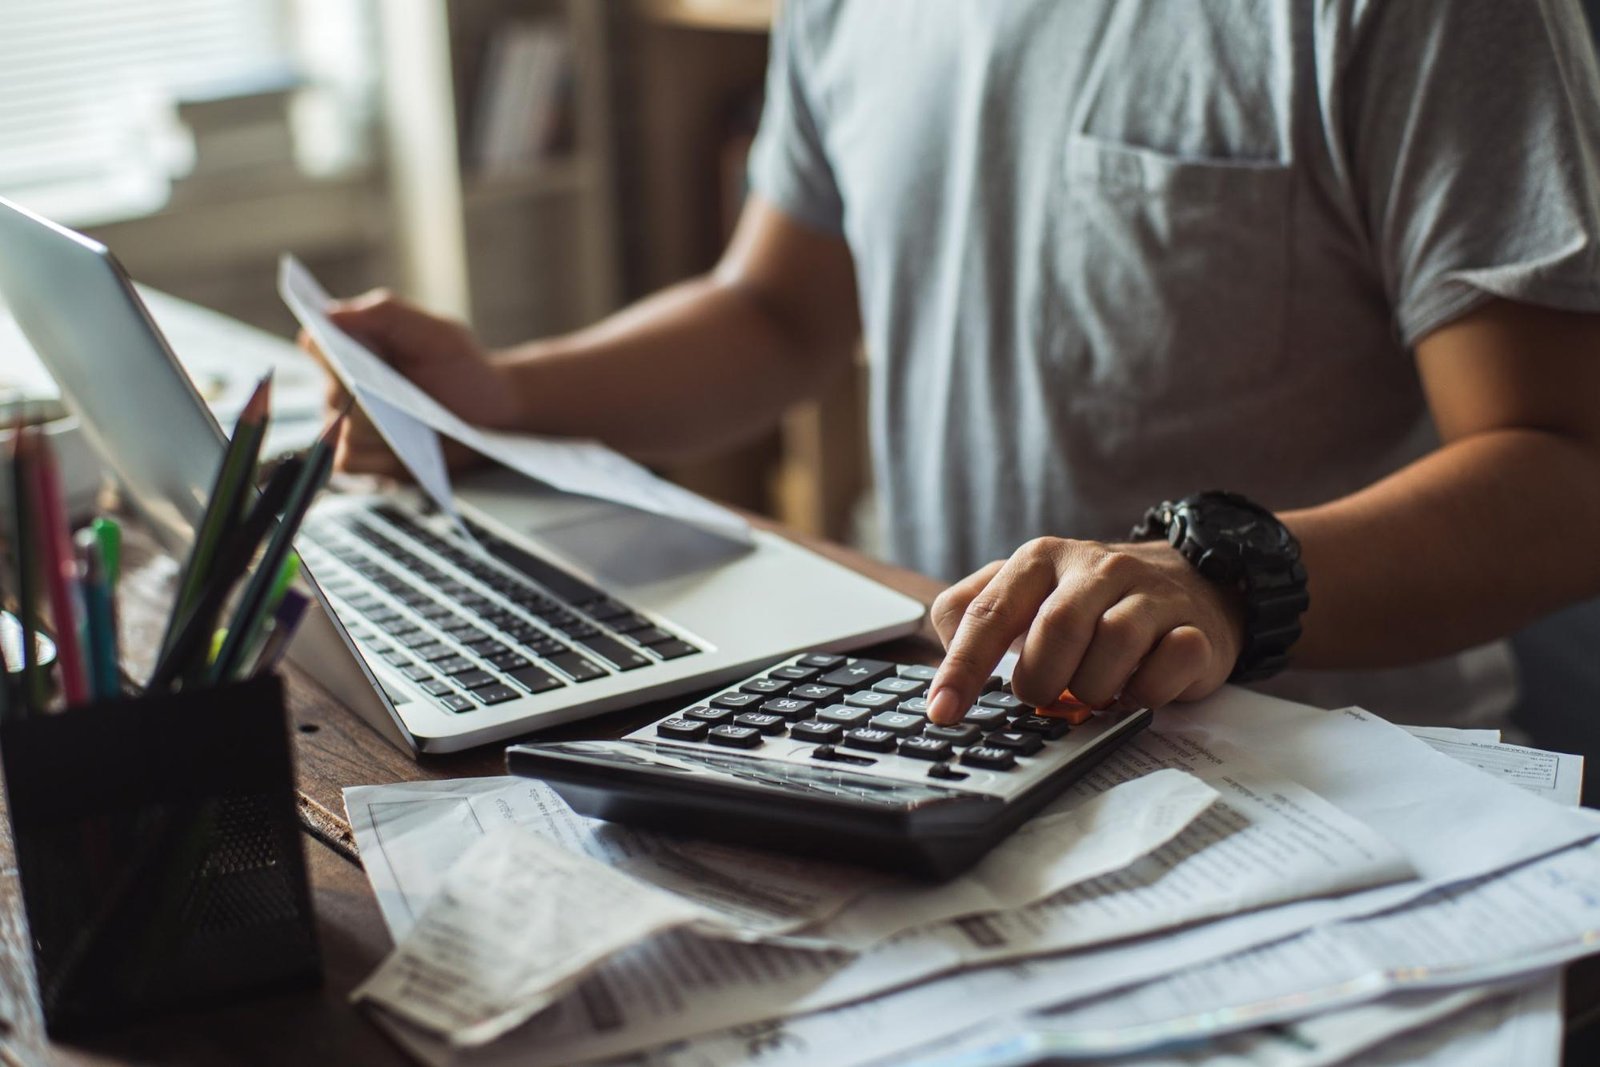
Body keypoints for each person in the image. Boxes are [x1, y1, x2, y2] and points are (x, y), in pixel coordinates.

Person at [313, 0, 1600, 735]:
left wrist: (1215, 576)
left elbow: (1566, 468)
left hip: (1317, 782)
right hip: (950, 728)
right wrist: (504, 395)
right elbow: (775, 312)